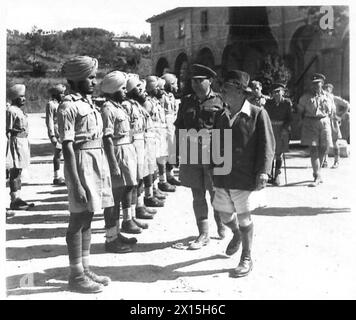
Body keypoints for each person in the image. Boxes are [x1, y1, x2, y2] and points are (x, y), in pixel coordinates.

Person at [58, 55, 113, 293]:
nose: (94, 81)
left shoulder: (88, 103)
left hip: (94, 161)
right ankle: (75, 275)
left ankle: (85, 267)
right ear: (77, 79)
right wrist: (77, 183)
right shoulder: (68, 106)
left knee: (88, 216)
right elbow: (67, 147)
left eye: (94, 76)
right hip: (80, 164)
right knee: (77, 220)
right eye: (90, 77)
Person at [213, 70, 275, 277]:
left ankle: (246, 257)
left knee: (244, 216)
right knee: (223, 215)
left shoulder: (258, 114)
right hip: (223, 174)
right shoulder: (221, 115)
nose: (221, 93)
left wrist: (264, 172)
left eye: (226, 89)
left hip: (245, 175)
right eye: (221, 89)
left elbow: (267, 145)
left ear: (240, 92)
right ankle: (237, 234)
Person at [174, 63, 226, 250]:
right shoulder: (186, 101)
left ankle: (220, 224)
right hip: (191, 152)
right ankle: (203, 233)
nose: (195, 84)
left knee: (215, 193)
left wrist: (226, 157)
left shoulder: (220, 101)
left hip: (214, 152)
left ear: (210, 81)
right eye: (193, 81)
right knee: (197, 194)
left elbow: (227, 130)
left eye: (200, 81)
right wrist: (175, 153)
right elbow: (179, 127)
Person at [100, 70, 138, 253]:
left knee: (121, 194)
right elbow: (107, 138)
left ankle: (116, 233)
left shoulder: (118, 106)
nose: (125, 91)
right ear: (114, 90)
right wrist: (113, 164)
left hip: (125, 151)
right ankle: (111, 239)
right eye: (122, 88)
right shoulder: (107, 108)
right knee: (112, 199)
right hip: (117, 154)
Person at [297, 73, 334, 187]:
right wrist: (301, 122)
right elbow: (300, 112)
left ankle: (317, 172)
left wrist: (333, 125)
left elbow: (332, 111)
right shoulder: (305, 97)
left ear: (322, 84)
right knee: (313, 149)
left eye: (317, 84)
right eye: (313, 84)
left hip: (325, 122)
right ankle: (317, 175)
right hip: (310, 122)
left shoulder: (328, 96)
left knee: (324, 148)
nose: (315, 86)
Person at [6, 84, 34, 210]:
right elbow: (7, 129)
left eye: (24, 96)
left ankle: (18, 197)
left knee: (20, 170)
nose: (23, 99)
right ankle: (14, 200)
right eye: (21, 97)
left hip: (23, 141)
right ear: (15, 97)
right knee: (15, 170)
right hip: (15, 141)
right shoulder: (11, 111)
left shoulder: (19, 110)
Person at [264, 82, 293, 185]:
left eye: (278, 92)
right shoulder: (269, 103)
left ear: (283, 92)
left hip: (281, 130)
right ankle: (268, 174)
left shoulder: (287, 103)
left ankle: (277, 175)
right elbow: (265, 116)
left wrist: (285, 128)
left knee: (278, 153)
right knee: (269, 152)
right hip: (271, 128)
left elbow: (289, 118)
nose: (276, 94)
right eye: (274, 92)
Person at [161, 73, 181, 186]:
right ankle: (164, 176)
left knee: (172, 150)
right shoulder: (162, 97)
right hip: (165, 124)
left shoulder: (172, 96)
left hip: (172, 123)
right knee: (166, 150)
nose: (177, 86)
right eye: (175, 84)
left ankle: (171, 174)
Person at [323, 83, 350, 168]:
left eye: (329, 88)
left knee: (335, 142)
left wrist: (340, 117)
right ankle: (324, 161)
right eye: (326, 88)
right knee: (324, 142)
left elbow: (347, 105)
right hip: (325, 122)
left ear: (331, 90)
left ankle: (336, 161)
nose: (327, 89)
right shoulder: (322, 98)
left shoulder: (335, 98)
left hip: (333, 122)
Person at [46, 84, 67, 186]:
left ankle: (64, 175)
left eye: (64, 93)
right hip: (56, 131)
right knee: (58, 154)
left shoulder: (62, 104)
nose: (63, 95)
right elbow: (49, 120)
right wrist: (52, 135)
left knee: (65, 153)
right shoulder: (51, 104)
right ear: (55, 94)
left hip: (63, 130)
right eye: (61, 93)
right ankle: (56, 176)